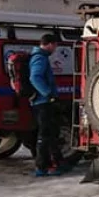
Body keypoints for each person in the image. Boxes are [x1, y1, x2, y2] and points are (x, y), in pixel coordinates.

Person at [30, 34, 68, 177]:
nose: (55, 48)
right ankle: (42, 167)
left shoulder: (41, 57)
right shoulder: (39, 58)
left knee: (51, 134)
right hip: (42, 103)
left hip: (44, 102)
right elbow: (34, 77)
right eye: (55, 45)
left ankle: (57, 163)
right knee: (44, 135)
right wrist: (48, 93)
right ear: (50, 44)